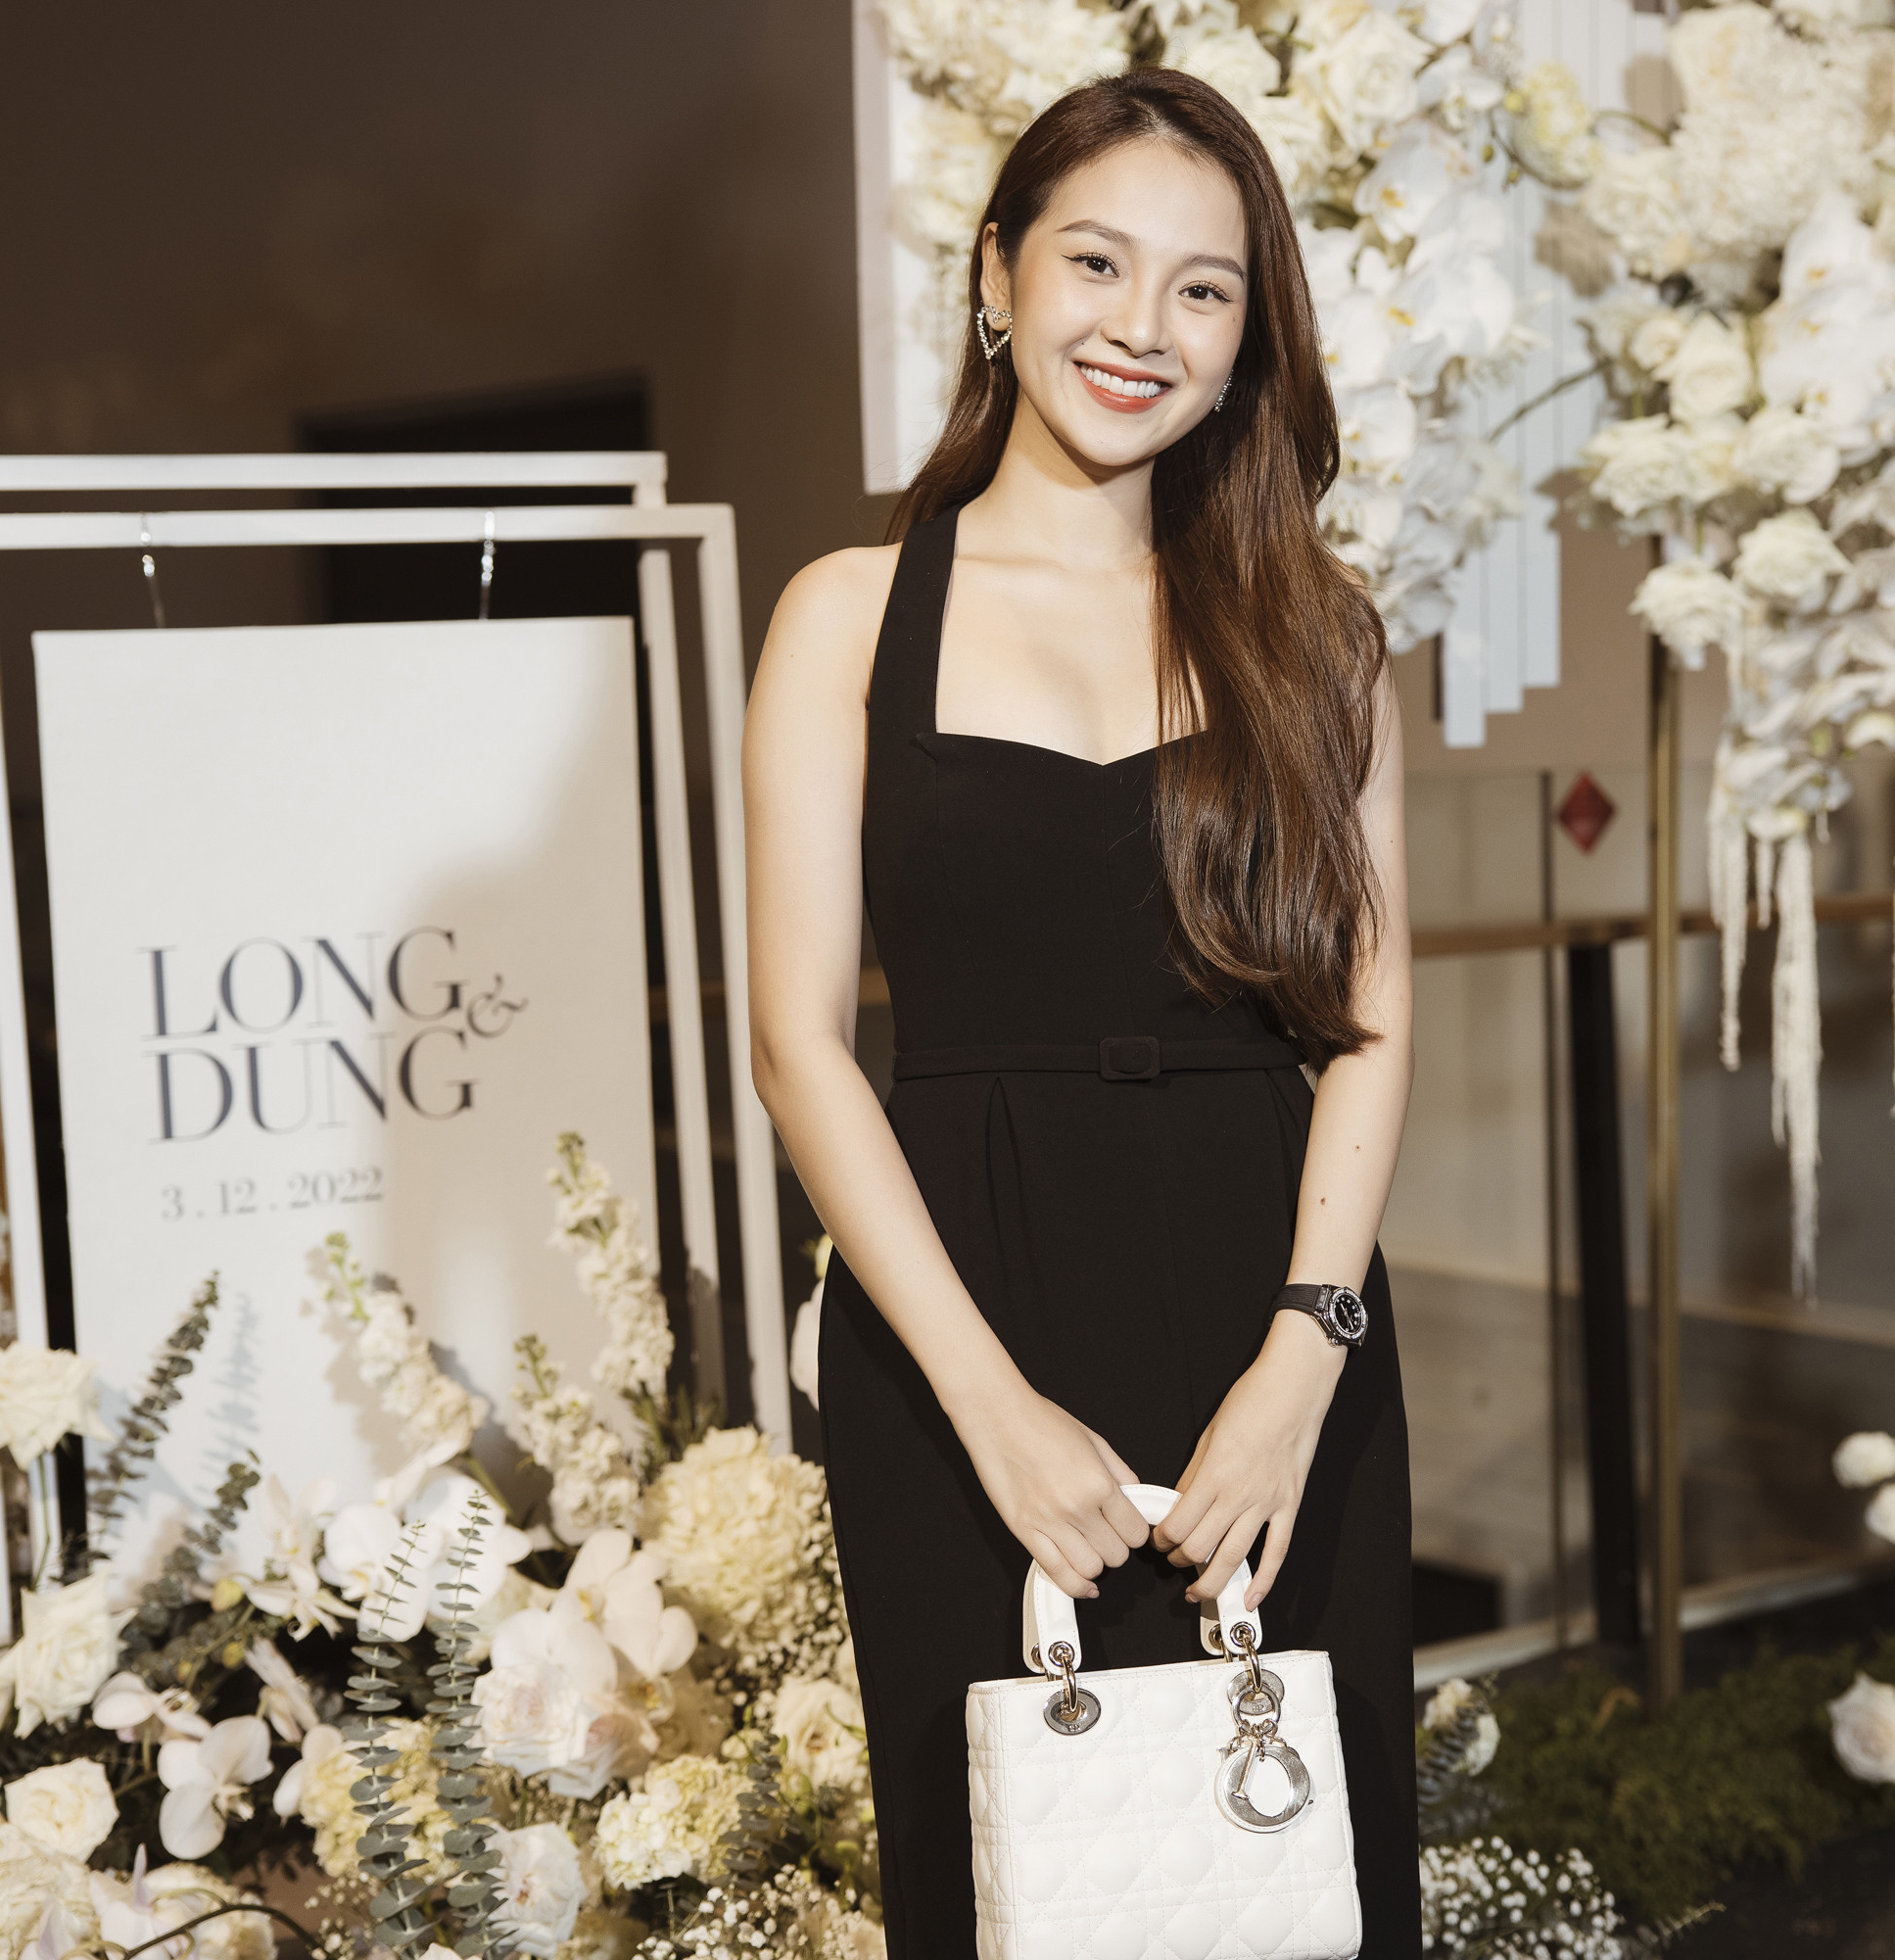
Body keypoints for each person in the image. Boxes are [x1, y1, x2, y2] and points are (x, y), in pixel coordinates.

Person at [744, 66, 1415, 1958]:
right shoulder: (848, 614)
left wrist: (1300, 1368)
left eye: (1204, 288)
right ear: (997, 276)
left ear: (1248, 336)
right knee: (1007, 1886)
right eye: (1097, 263)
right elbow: (800, 1041)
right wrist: (993, 1412)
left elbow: (1370, 1024)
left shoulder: (1320, 633)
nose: (1143, 326)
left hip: (1272, 1305)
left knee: (1297, 1873)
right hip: (959, 1314)